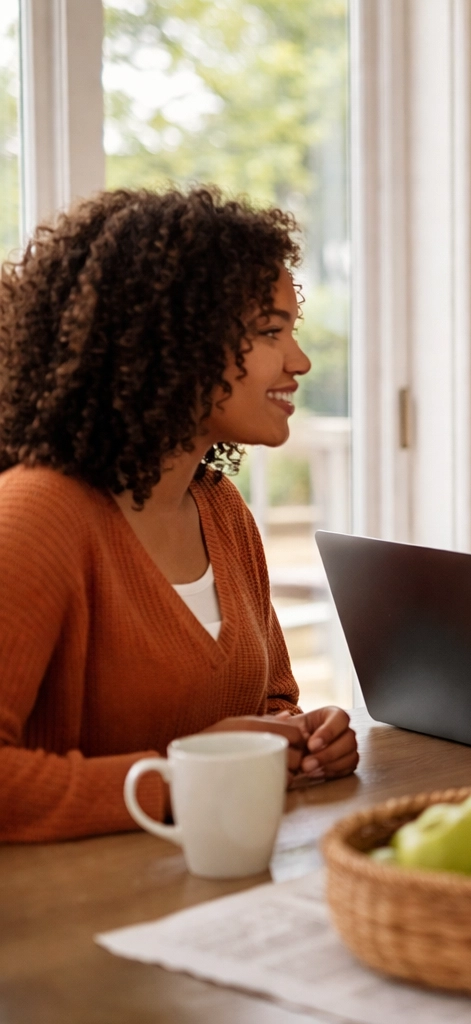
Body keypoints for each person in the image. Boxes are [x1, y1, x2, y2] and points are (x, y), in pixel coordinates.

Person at [0, 187, 359, 844]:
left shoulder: (219, 507)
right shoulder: (37, 513)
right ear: (172, 339)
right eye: (270, 331)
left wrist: (302, 739)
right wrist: (182, 778)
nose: (299, 361)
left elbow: (271, 705)